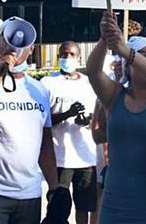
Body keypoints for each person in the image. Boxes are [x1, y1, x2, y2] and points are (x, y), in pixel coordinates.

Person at [86, 11, 146, 223]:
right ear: (127, 67)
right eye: (142, 55)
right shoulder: (115, 96)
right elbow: (93, 72)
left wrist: (127, 51)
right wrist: (105, 37)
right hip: (116, 208)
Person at [0, 17, 59, 224]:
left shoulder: (39, 89)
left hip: (28, 192)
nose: (15, 49)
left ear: (31, 49)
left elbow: (46, 145)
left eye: (24, 46)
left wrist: (54, 188)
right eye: (7, 41)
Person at [41, 41, 99, 224]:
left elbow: (96, 116)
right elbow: (44, 121)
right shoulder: (48, 83)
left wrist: (85, 120)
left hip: (86, 157)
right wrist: (68, 114)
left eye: (71, 55)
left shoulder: (89, 84)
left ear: (79, 57)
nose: (67, 58)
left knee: (84, 206)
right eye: (63, 55)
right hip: (59, 158)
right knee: (58, 207)